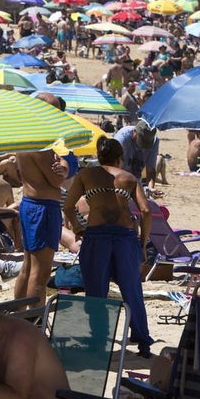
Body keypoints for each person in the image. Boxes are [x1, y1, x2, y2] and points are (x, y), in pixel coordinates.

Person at [63, 137, 155, 357]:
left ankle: (98, 342)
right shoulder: (130, 178)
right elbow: (146, 211)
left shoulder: (86, 175)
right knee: (132, 291)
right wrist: (142, 244)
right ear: (119, 158)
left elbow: (68, 205)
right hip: (125, 237)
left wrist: (77, 226)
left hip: (97, 237)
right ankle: (142, 341)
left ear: (99, 156)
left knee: (96, 292)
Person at [14, 93, 70, 307]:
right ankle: (34, 322)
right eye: (54, 111)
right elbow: (56, 181)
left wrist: (60, 166)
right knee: (41, 271)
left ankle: (17, 314)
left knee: (28, 266)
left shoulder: (24, 137)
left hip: (30, 204)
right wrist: (63, 168)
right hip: (43, 208)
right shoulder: (40, 143)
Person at [114, 118, 161, 191]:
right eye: (142, 141)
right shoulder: (122, 139)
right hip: (119, 181)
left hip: (136, 183)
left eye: (147, 143)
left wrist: (150, 188)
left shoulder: (154, 141)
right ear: (134, 131)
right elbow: (114, 167)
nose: (143, 147)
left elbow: (151, 170)